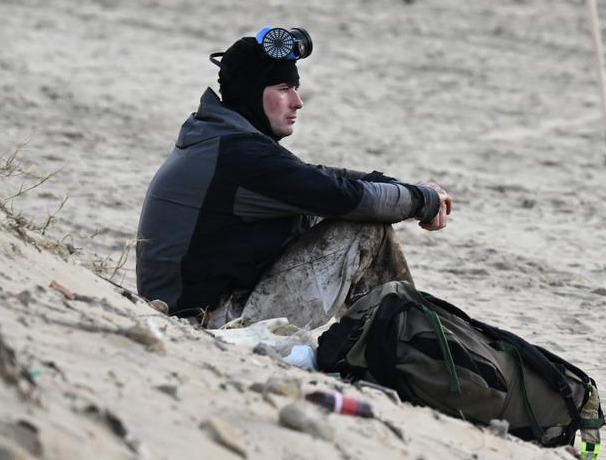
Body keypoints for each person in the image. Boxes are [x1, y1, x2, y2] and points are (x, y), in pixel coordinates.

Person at [135, 27, 452, 329]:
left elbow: (319, 178)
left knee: (340, 212)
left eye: (295, 89)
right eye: (284, 89)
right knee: (365, 229)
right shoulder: (243, 156)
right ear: (251, 93)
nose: (297, 101)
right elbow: (345, 198)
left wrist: (400, 187)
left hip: (192, 307)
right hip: (205, 320)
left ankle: (393, 341)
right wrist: (423, 200)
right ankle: (406, 346)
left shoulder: (220, 138)